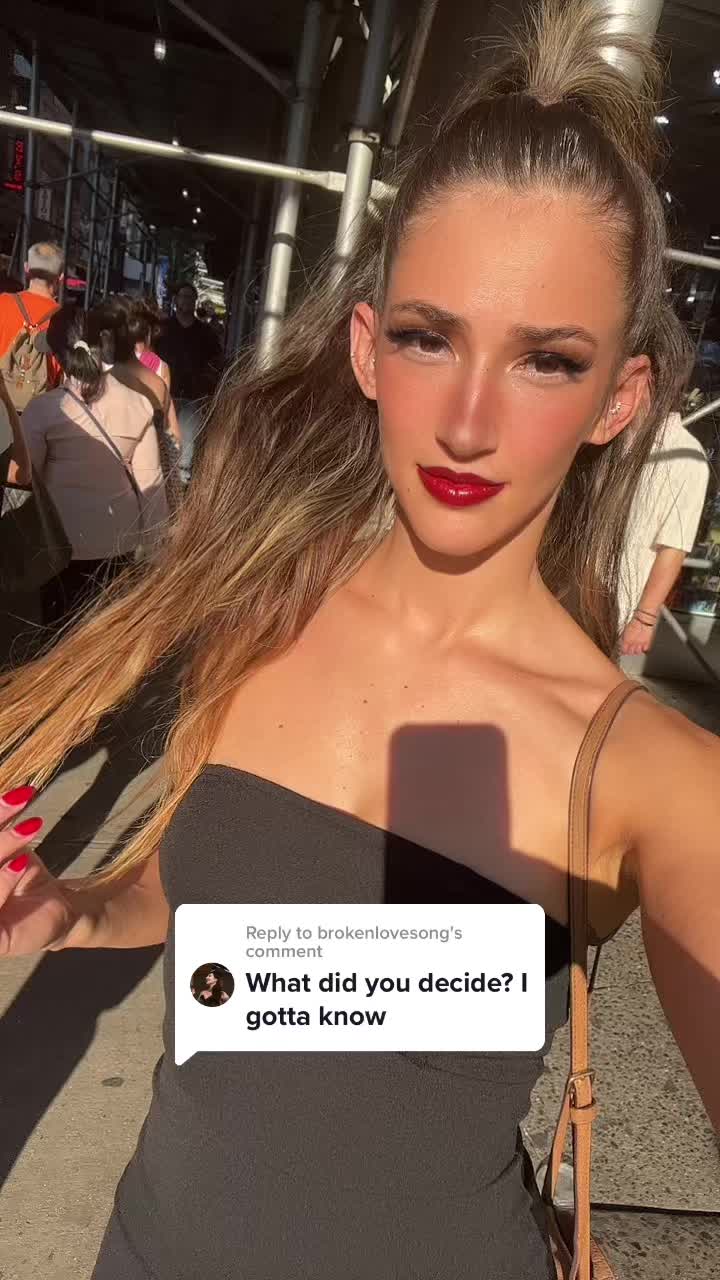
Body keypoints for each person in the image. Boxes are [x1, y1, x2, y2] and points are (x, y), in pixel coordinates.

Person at [0, 5, 718, 1279]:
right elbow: (217, 915)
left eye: (547, 360)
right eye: (433, 336)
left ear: (621, 398)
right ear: (369, 350)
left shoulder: (650, 774)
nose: (470, 420)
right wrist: (79, 909)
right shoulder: (260, 610)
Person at [19, 304, 169, 628]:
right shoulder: (139, 404)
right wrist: (157, 554)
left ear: (57, 356)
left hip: (59, 546)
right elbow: (151, 484)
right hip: (118, 546)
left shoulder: (43, 411)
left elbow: (27, 479)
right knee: (100, 636)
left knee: (57, 633)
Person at [619, 410, 710, 656]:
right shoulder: (613, 437)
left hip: (611, 607)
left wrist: (644, 619)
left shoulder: (685, 454)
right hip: (567, 595)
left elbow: (674, 546)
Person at [155, 281, 223, 483]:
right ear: (176, 300)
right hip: (165, 395)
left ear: (195, 302)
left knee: (186, 449)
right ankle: (162, 482)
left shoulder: (205, 333)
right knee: (161, 444)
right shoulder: (163, 329)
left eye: (190, 297)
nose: (186, 300)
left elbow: (217, 361)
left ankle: (181, 485)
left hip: (193, 397)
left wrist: (207, 387)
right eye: (182, 296)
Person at [0, 241, 63, 442]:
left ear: (27, 268)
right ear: (61, 277)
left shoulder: (3, 303)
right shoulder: (64, 319)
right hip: (40, 422)